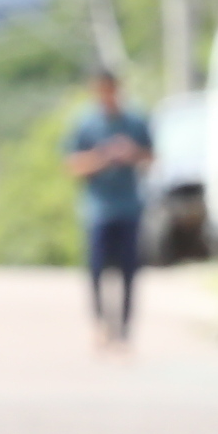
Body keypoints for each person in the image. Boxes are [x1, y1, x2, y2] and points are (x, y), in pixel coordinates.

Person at [62, 67, 155, 350]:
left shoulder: (135, 122)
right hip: (98, 208)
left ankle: (125, 329)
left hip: (128, 206)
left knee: (129, 271)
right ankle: (100, 324)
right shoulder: (85, 124)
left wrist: (131, 154)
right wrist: (102, 157)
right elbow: (72, 165)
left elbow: (152, 157)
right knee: (97, 269)